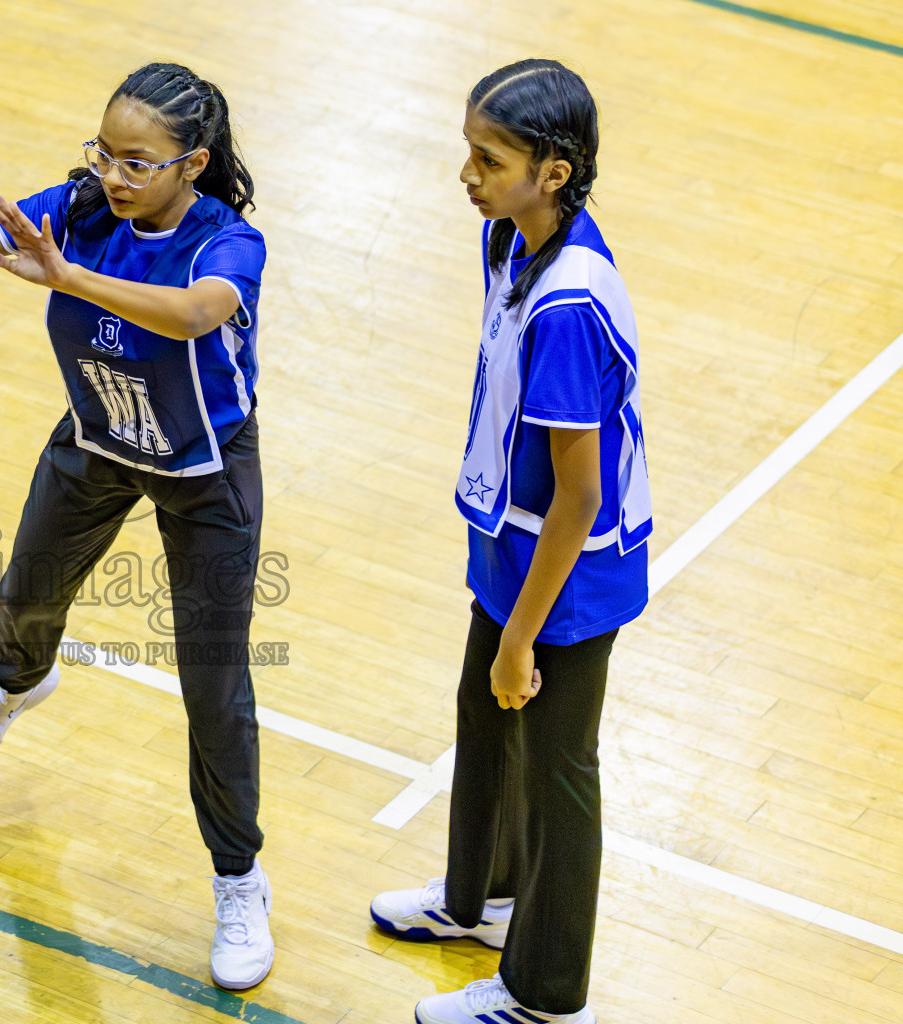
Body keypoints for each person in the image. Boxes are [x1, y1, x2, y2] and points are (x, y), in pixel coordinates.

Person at [0, 63, 274, 990]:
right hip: (100, 437)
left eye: (136, 162)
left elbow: (193, 317)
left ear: (193, 163)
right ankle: (19, 684)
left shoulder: (227, 245)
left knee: (215, 689)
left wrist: (67, 277)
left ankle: (239, 880)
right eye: (103, 152)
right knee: (25, 595)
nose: (112, 174)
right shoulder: (76, 207)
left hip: (204, 470)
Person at [369, 59, 652, 1024]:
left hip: (567, 579)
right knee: (483, 722)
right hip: (507, 543)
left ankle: (544, 993)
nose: (468, 173)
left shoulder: (571, 306)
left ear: (556, 171)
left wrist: (523, 636)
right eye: (468, 151)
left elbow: (581, 495)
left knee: (559, 773)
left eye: (489, 159)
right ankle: (478, 900)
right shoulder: (507, 238)